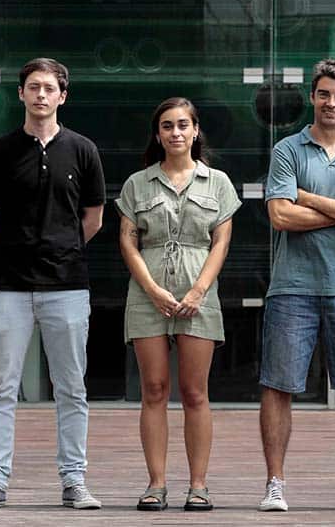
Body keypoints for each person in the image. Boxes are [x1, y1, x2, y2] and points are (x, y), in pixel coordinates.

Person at [0, 58, 105, 510]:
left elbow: (93, 218)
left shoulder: (83, 150)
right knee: (1, 388)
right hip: (6, 285)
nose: (41, 95)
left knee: (71, 387)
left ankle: (74, 480)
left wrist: (59, 249)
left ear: (63, 96)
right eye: (33, 87)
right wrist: (20, 249)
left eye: (49, 88)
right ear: (21, 94)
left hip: (67, 284)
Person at [258, 58, 335, 512]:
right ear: (313, 97)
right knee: (278, 385)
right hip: (292, 286)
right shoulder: (286, 150)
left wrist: (306, 197)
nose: (332, 102)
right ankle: (275, 483)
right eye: (324, 94)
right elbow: (280, 216)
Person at [116, 97, 241, 512]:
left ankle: (199, 485)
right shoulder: (138, 183)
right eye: (167, 126)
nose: (175, 132)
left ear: (195, 131)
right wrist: (152, 289)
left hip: (198, 294)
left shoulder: (217, 182)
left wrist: (198, 291)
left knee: (194, 392)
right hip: (147, 293)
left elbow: (221, 241)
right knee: (153, 390)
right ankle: (156, 483)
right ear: (158, 134)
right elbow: (127, 240)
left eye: (183, 125)